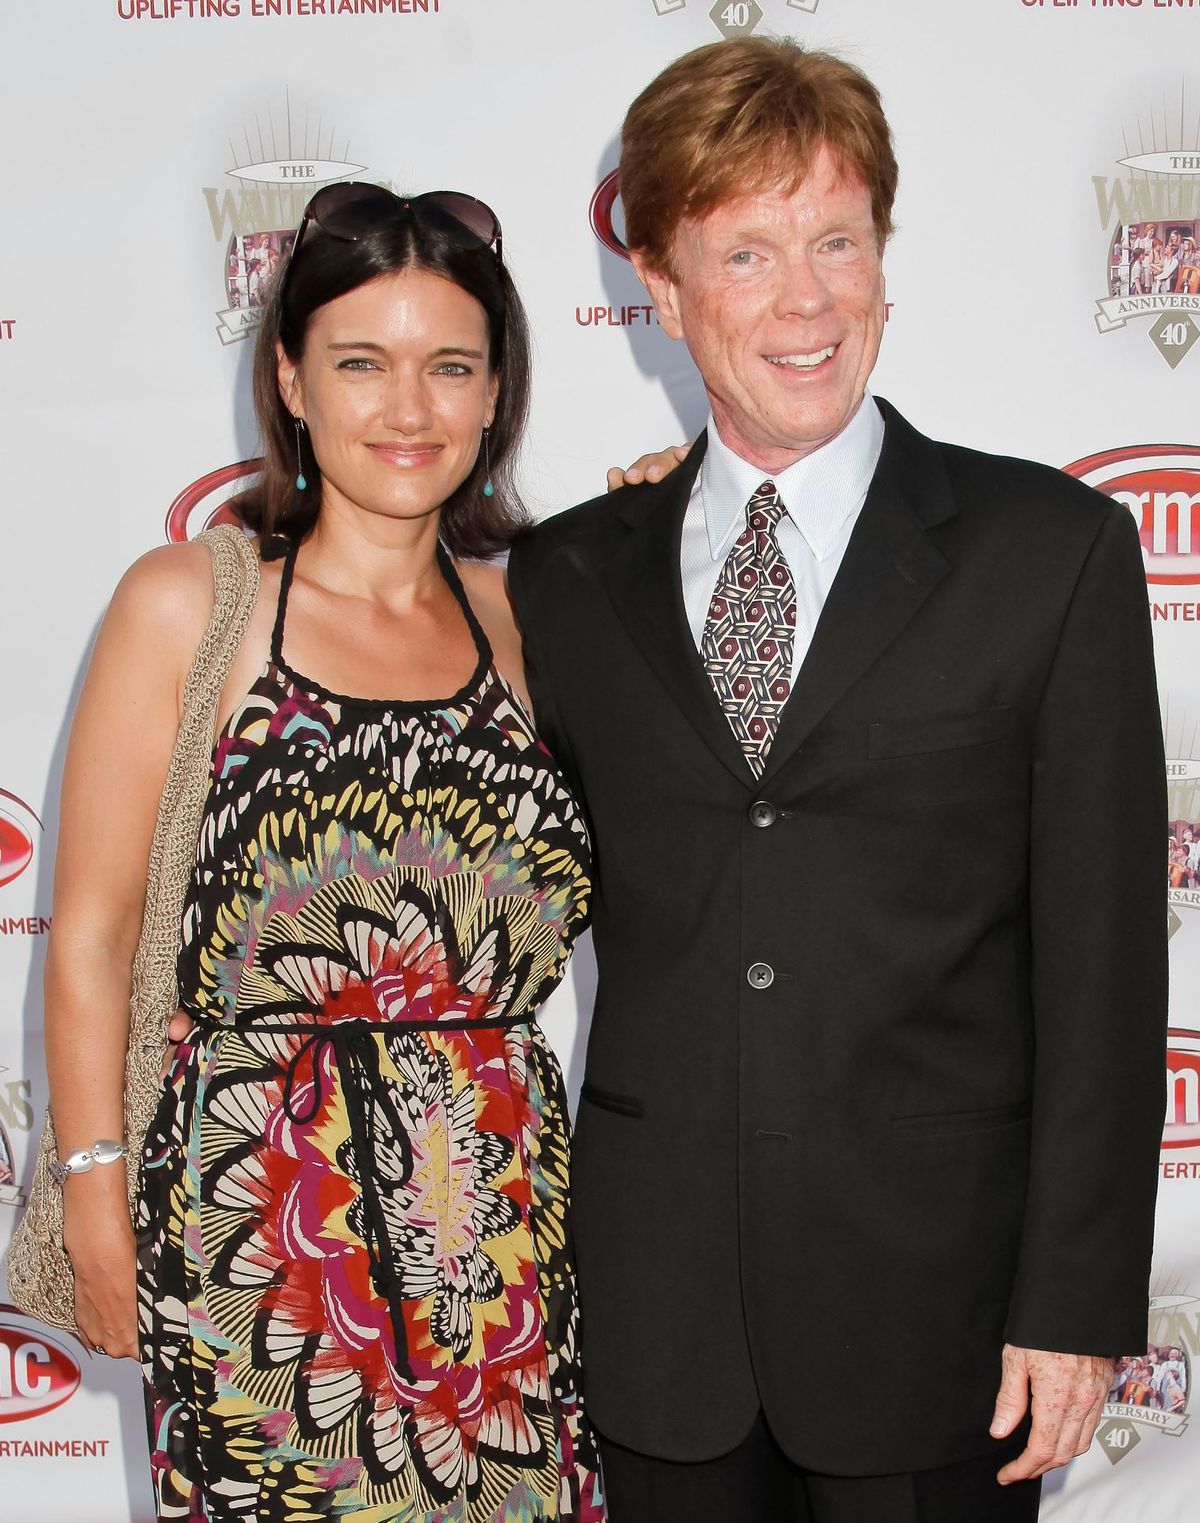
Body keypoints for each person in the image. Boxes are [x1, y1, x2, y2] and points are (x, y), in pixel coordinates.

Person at [507, 38, 1166, 1523]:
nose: (806, 299)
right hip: (653, 1325)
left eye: (836, 242)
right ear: (662, 295)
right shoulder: (566, 579)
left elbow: (1109, 967)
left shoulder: (1047, 555)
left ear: (882, 260)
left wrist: (1074, 1300)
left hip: (942, 1331)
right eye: (747, 252)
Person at [41, 182, 676, 1522]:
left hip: (505, 1223)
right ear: (289, 378)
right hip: (253, 1241)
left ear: (498, 390)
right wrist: (98, 1203)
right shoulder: (193, 606)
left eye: (452, 365)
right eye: (361, 363)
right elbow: (90, 936)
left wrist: (695, 532)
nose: (409, 408)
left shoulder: (543, 618)